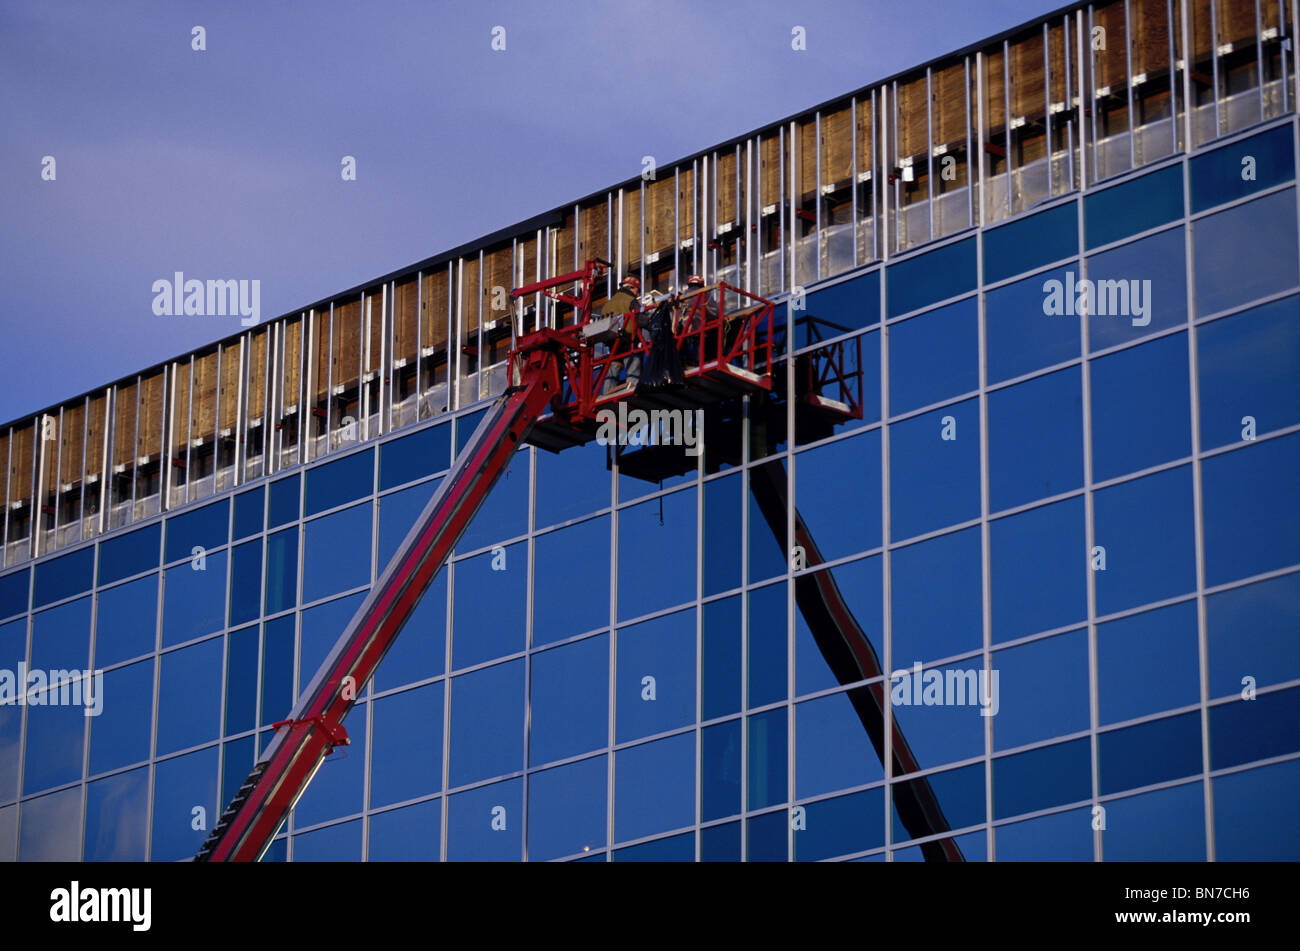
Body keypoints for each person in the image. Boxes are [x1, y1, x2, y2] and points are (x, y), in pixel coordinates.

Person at [597, 275, 643, 395]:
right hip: (628, 339)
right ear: (632, 288)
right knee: (633, 363)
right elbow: (640, 319)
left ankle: (607, 392)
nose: (638, 294)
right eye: (638, 290)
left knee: (613, 365)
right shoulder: (631, 300)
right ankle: (633, 388)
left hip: (612, 342)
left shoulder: (607, 304)